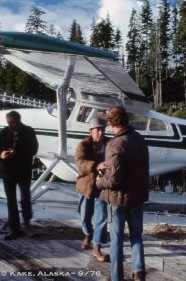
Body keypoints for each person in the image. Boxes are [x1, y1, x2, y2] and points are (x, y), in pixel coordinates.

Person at [96, 106, 150, 281]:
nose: (108, 126)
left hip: (118, 200)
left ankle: (116, 276)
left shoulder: (114, 144)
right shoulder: (140, 139)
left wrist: (98, 182)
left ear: (112, 123)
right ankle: (139, 272)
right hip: (138, 197)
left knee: (117, 242)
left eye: (108, 123)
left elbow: (113, 179)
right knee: (136, 237)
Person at [0, 110, 38, 240]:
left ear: (19, 121)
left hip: (23, 170)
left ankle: (27, 224)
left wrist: (16, 152)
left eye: (12, 122)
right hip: (8, 171)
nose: (10, 125)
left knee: (25, 198)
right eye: (8, 122)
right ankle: (14, 229)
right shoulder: (3, 133)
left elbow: (34, 149)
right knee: (10, 201)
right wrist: (1, 154)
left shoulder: (29, 131)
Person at [75, 117, 109, 262]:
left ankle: (97, 247)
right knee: (84, 216)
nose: (100, 133)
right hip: (86, 186)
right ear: (91, 131)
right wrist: (96, 166)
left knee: (101, 218)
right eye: (97, 130)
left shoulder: (110, 144)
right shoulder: (83, 144)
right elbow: (80, 163)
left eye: (102, 130)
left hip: (103, 186)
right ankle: (88, 234)